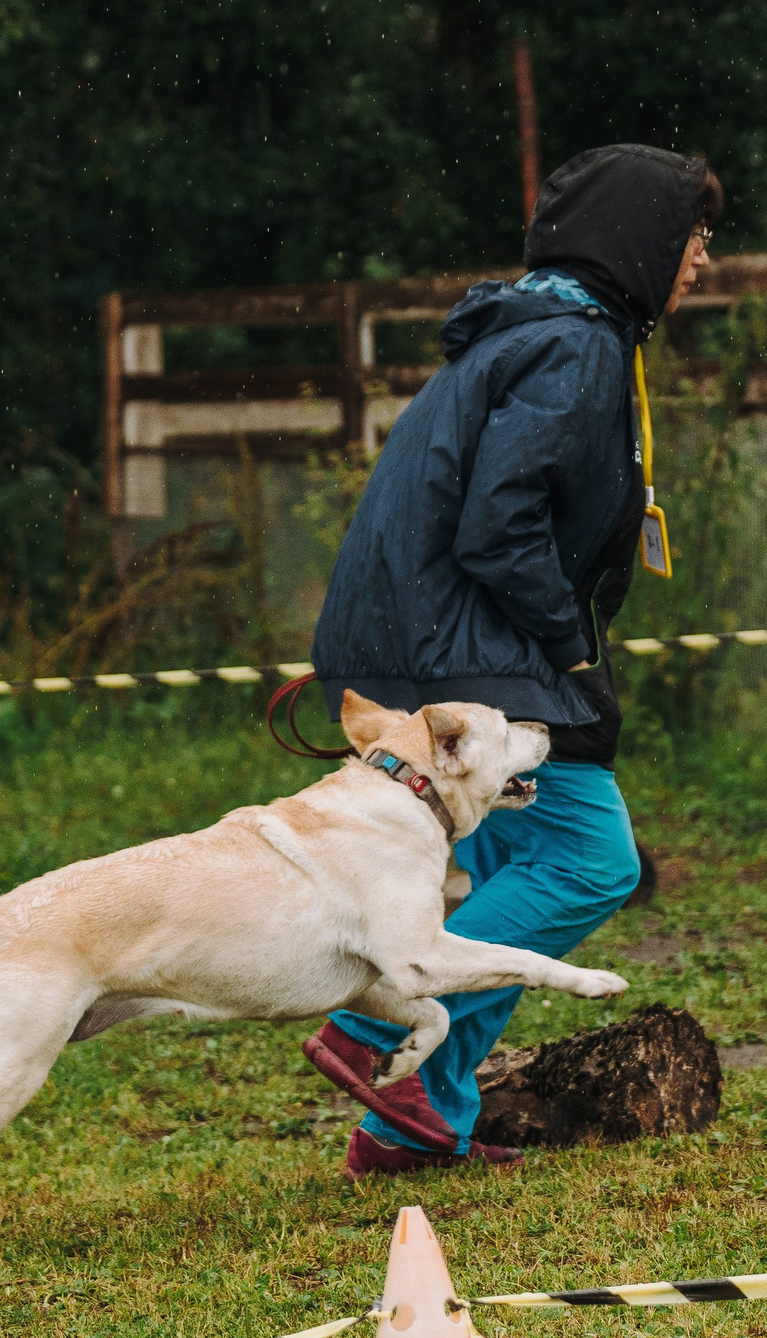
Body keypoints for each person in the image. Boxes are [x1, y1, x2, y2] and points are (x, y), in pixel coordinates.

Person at [302, 143, 721, 1178]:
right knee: (588, 861)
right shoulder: (571, 348)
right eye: (694, 236)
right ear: (642, 240)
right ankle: (377, 1029)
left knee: (505, 861)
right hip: (467, 639)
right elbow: (499, 524)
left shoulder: (541, 332)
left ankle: (410, 1125)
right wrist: (572, 652)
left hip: (430, 629)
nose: (704, 260)